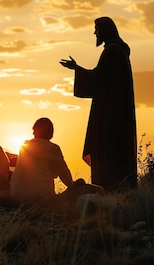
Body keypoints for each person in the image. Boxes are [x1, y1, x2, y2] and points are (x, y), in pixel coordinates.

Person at [60, 16, 137, 190]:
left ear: (105, 30)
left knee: (106, 156)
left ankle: (106, 189)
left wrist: (77, 69)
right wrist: (78, 68)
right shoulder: (118, 51)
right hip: (115, 113)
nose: (95, 33)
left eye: (97, 29)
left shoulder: (112, 51)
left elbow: (99, 80)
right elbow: (102, 78)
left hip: (110, 117)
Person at [10, 118, 74, 202]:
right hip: (40, 198)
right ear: (51, 132)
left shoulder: (24, 147)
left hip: (17, 196)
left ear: (34, 131)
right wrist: (75, 186)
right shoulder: (52, 148)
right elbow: (65, 177)